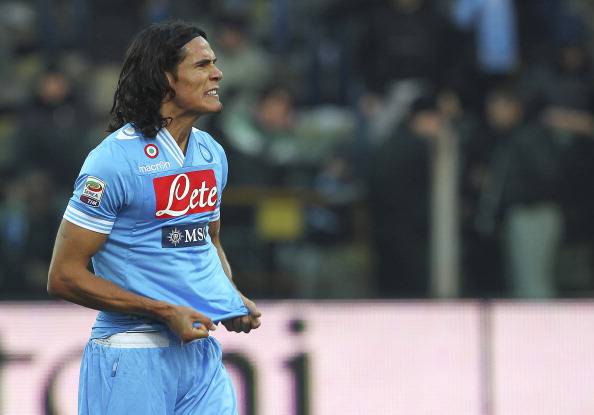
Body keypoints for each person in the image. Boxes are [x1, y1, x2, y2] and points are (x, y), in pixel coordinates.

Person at [47, 21, 261, 414]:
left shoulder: (212, 155)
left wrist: (227, 298)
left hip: (199, 354)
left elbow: (207, 239)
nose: (217, 73)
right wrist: (164, 311)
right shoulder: (113, 161)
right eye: (202, 65)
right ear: (166, 78)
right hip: (131, 351)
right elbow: (63, 276)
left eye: (214, 63)